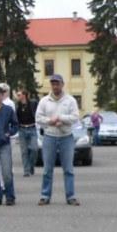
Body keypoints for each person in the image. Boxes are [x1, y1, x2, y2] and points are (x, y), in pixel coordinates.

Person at [36, 74, 80, 206]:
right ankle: (45, 195)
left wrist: (61, 118)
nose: (55, 86)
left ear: (62, 84)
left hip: (66, 137)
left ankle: (71, 196)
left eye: (57, 83)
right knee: (47, 169)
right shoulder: (44, 101)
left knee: (68, 169)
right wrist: (50, 121)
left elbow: (75, 117)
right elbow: (38, 118)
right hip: (49, 137)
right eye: (53, 83)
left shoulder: (70, 100)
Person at [15, 89, 38, 177]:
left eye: (19, 95)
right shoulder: (17, 106)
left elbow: (38, 113)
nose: (18, 97)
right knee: (24, 151)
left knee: (34, 149)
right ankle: (26, 170)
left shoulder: (33, 104)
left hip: (32, 128)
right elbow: (15, 118)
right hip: (22, 129)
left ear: (24, 95)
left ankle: (31, 165)